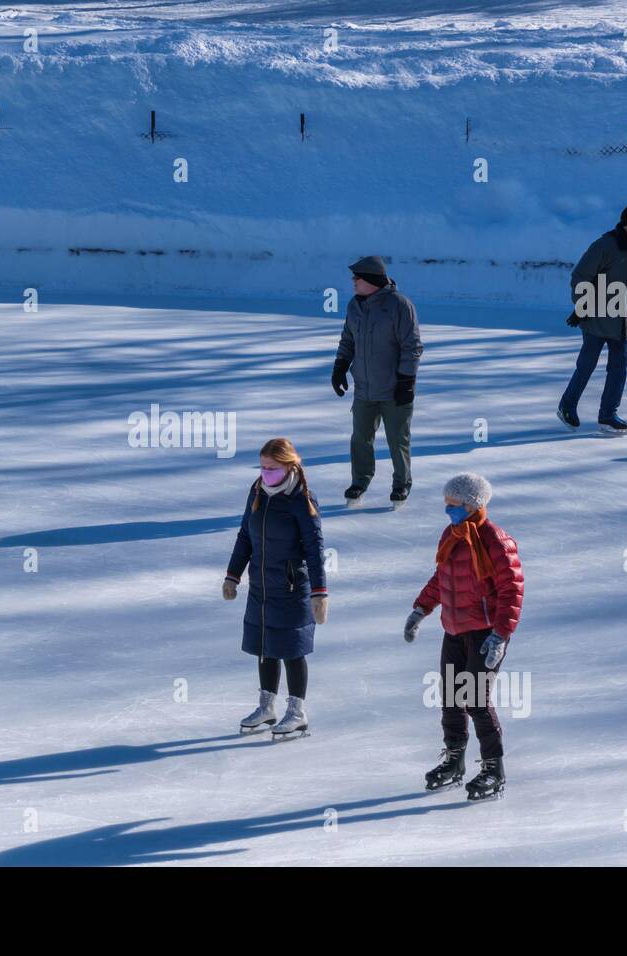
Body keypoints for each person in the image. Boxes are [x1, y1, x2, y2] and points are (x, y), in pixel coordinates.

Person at [404, 473, 523, 801]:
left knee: (475, 701)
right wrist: (420, 610)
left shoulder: (495, 540)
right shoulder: (452, 535)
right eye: (447, 504)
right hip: (454, 630)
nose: (448, 510)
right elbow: (441, 577)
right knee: (451, 699)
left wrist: (500, 635)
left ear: (473, 504)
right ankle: (454, 762)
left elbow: (511, 590)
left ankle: (492, 769)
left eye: (453, 505)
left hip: (486, 633)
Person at [223, 438, 328, 740]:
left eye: (271, 468)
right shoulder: (257, 492)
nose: (265, 473)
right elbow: (245, 535)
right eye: (263, 467)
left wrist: (319, 593)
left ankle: (297, 712)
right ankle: (266, 707)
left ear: (289, 466)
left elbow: (314, 547)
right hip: (261, 586)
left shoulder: (302, 499)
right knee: (264, 648)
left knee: (292, 650)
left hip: (292, 587)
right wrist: (233, 575)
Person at [332, 256, 423, 507]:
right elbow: (347, 339)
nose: (353, 281)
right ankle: (359, 481)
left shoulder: (400, 306)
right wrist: (340, 366)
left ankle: (401, 484)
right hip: (364, 389)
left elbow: (412, 346)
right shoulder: (354, 306)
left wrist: (406, 380)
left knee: (398, 439)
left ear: (371, 280)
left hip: (395, 389)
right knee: (360, 438)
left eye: (357, 277)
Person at [557, 203, 627, 435]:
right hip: (596, 317)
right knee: (586, 366)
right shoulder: (605, 246)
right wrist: (581, 305)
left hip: (622, 321)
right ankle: (567, 406)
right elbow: (580, 276)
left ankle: (608, 415)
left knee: (619, 370)